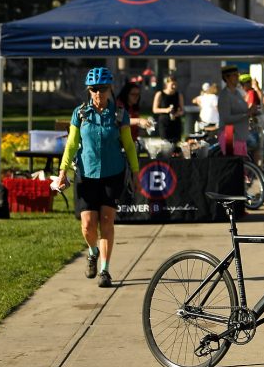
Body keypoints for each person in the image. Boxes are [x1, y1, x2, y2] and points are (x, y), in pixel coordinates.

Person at [55, 68, 140, 289]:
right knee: (87, 226)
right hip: (86, 174)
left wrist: (136, 172)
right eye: (93, 90)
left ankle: (105, 270)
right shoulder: (80, 113)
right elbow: (72, 144)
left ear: (110, 89)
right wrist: (63, 170)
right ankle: (92, 252)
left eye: (102, 89)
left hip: (113, 174)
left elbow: (129, 145)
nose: (98, 94)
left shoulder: (119, 114)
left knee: (106, 221)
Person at [218, 65, 254, 157]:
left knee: (241, 167)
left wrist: (251, 111)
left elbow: (243, 111)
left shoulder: (238, 93)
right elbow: (226, 118)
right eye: (234, 75)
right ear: (227, 77)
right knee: (234, 166)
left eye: (237, 74)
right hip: (230, 136)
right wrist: (246, 114)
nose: (237, 77)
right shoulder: (224, 95)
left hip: (240, 136)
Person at [152, 74, 184, 144]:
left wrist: (177, 113)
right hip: (164, 123)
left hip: (175, 122)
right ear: (166, 84)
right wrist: (166, 110)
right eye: (172, 84)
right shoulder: (160, 94)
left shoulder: (179, 95)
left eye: (175, 84)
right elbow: (155, 109)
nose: (174, 86)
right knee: (166, 143)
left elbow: (182, 110)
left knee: (177, 143)